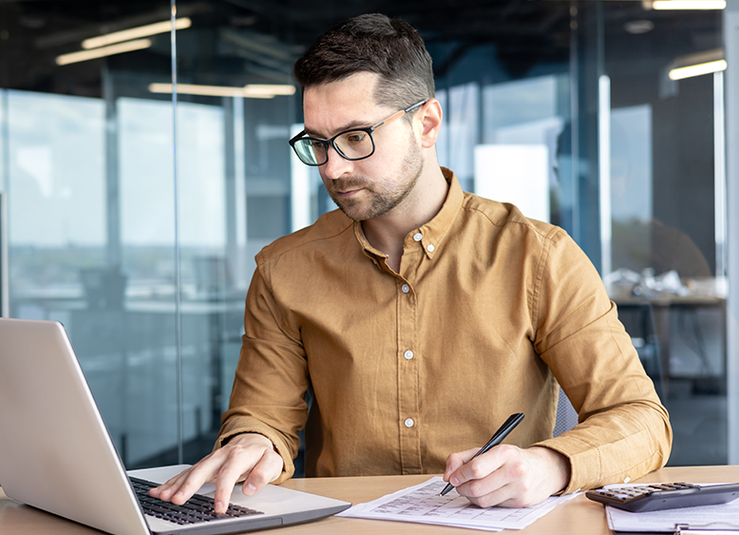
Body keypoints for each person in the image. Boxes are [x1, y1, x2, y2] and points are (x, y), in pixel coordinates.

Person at [150, 13, 672, 513]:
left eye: (357, 137)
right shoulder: (283, 270)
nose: (333, 167)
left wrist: (550, 464)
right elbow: (262, 414)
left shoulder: (538, 256)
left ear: (426, 123)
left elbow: (641, 420)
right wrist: (255, 441)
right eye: (317, 143)